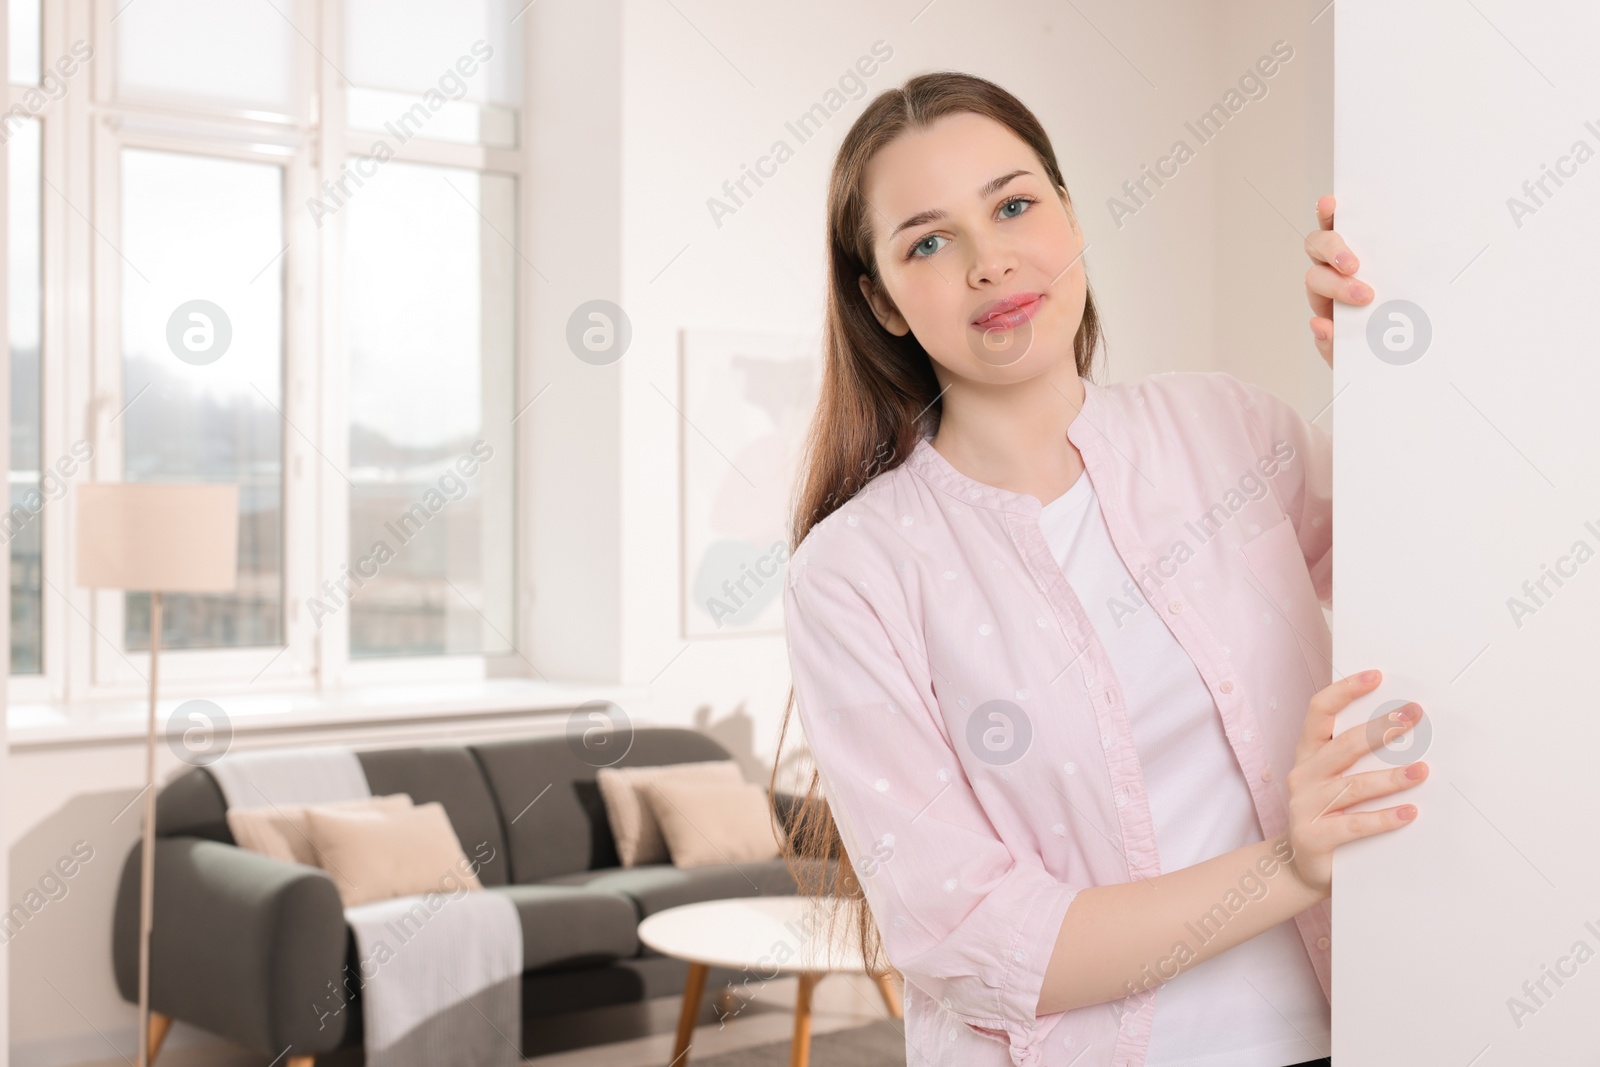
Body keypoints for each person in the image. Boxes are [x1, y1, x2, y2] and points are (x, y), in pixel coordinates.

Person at [770, 71, 1425, 1067]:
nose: (989, 261)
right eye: (928, 241)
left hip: (1366, 1030)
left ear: (1069, 217)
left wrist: (1390, 374)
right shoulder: (853, 572)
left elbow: (1439, 589)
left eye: (1014, 204)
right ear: (882, 301)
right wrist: (1286, 868)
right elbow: (971, 934)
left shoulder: (1230, 429)